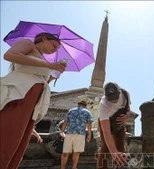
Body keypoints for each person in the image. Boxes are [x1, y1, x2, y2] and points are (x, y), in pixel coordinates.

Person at [0, 33, 66, 169]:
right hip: (18, 96)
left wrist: (54, 75)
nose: (55, 50)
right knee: (7, 139)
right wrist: (49, 65)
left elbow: (41, 80)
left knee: (17, 146)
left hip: (31, 104)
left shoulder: (42, 59)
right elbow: (9, 55)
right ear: (44, 39)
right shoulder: (28, 43)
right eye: (54, 46)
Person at [97, 82, 131, 169]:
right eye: (111, 99)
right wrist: (113, 151)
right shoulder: (103, 104)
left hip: (119, 124)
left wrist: (127, 116)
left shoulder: (125, 94)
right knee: (105, 148)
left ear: (119, 92)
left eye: (115, 97)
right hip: (106, 123)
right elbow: (106, 131)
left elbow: (128, 109)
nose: (114, 101)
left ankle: (119, 166)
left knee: (120, 147)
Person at [60, 100, 93, 169]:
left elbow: (65, 122)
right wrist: (89, 135)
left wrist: (62, 131)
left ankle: (62, 168)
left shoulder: (71, 111)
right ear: (85, 105)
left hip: (69, 133)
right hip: (80, 134)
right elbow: (89, 124)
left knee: (65, 152)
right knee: (76, 152)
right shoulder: (87, 112)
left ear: (78, 104)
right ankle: (74, 167)